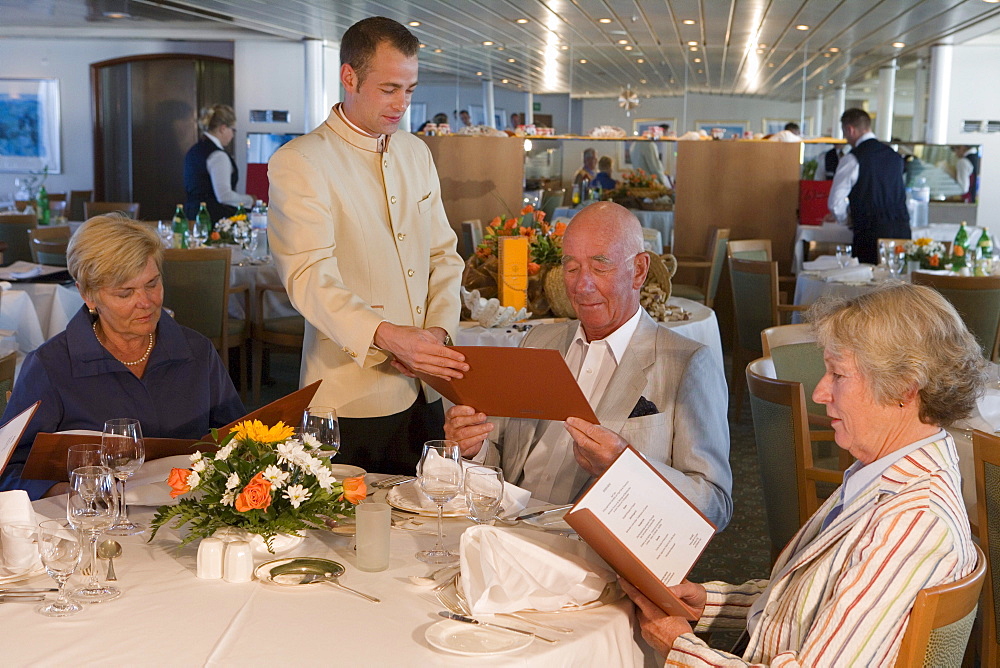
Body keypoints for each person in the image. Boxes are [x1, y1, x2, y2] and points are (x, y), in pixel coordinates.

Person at [623, 283, 980, 666]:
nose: (820, 393)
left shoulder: (911, 523)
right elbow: (817, 600)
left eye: (838, 375)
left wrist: (681, 648)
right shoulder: (885, 473)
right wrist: (712, 602)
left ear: (905, 390)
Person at [444, 202, 732, 528]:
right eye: (571, 268)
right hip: (505, 531)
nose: (582, 286)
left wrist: (627, 467)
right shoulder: (540, 341)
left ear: (639, 270)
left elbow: (715, 506)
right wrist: (475, 449)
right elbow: (507, 458)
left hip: (595, 553)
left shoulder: (685, 363)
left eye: (600, 267)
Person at [267, 17, 466, 475]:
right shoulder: (300, 161)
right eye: (390, 88)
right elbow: (308, 276)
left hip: (428, 389)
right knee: (349, 540)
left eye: (410, 90)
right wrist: (390, 337)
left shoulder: (416, 152)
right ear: (349, 77)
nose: (402, 104)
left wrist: (437, 334)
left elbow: (443, 254)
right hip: (349, 399)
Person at [0, 215, 245, 499]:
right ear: (87, 295)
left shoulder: (197, 351)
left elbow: (237, 440)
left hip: (189, 520)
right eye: (125, 293)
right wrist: (65, 490)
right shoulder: (51, 366)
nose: (147, 302)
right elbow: (8, 472)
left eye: (152, 284)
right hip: (97, 526)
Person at [823, 108, 910, 264]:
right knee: (899, 283)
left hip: (869, 232)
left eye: (844, 133)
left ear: (850, 130)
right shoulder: (895, 156)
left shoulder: (852, 159)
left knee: (869, 284)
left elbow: (835, 202)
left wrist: (847, 219)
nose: (845, 138)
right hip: (901, 231)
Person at [183, 104, 255, 220]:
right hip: (211, 218)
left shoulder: (195, 150)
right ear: (223, 128)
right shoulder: (218, 156)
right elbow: (224, 196)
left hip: (192, 214)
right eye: (233, 130)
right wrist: (250, 199)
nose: (232, 135)